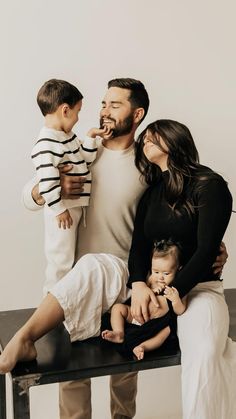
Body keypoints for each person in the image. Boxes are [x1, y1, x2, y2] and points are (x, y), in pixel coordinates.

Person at [0, 80, 228, 419]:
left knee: (124, 375)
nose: (104, 110)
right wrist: (46, 191)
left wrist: (209, 249)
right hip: (76, 278)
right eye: (103, 103)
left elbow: (174, 212)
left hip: (126, 279)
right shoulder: (81, 150)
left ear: (137, 114)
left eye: (114, 105)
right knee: (72, 378)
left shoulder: (147, 168)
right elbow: (31, 192)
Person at [128, 119, 235, 419]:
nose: (145, 139)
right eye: (144, 137)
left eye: (154, 135)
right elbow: (137, 249)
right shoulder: (150, 194)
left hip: (198, 291)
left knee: (203, 355)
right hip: (151, 290)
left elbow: (206, 252)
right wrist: (138, 284)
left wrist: (169, 298)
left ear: (175, 139)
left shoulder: (209, 185)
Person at [31, 79, 107, 294]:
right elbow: (46, 182)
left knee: (70, 259)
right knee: (60, 259)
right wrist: (59, 209)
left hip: (72, 207)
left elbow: (85, 160)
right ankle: (52, 305)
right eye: (78, 111)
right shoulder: (47, 144)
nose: (78, 117)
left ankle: (66, 301)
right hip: (61, 211)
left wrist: (91, 137)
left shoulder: (67, 137)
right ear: (65, 110)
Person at [102, 239, 187, 360]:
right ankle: (119, 333)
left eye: (166, 273)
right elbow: (142, 293)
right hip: (136, 315)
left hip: (156, 324)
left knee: (165, 333)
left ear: (178, 269)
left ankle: (142, 347)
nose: (160, 277)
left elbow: (180, 310)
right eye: (156, 271)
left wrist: (175, 300)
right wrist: (152, 290)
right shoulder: (152, 279)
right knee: (118, 308)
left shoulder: (177, 288)